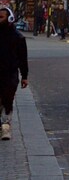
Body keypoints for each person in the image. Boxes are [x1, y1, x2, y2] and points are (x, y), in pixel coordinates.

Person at [0, 7, 29, 141]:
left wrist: (25, 76)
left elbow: (23, 58)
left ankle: (6, 126)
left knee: (8, 98)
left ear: (10, 18)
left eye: (1, 17)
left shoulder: (18, 37)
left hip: (10, 73)